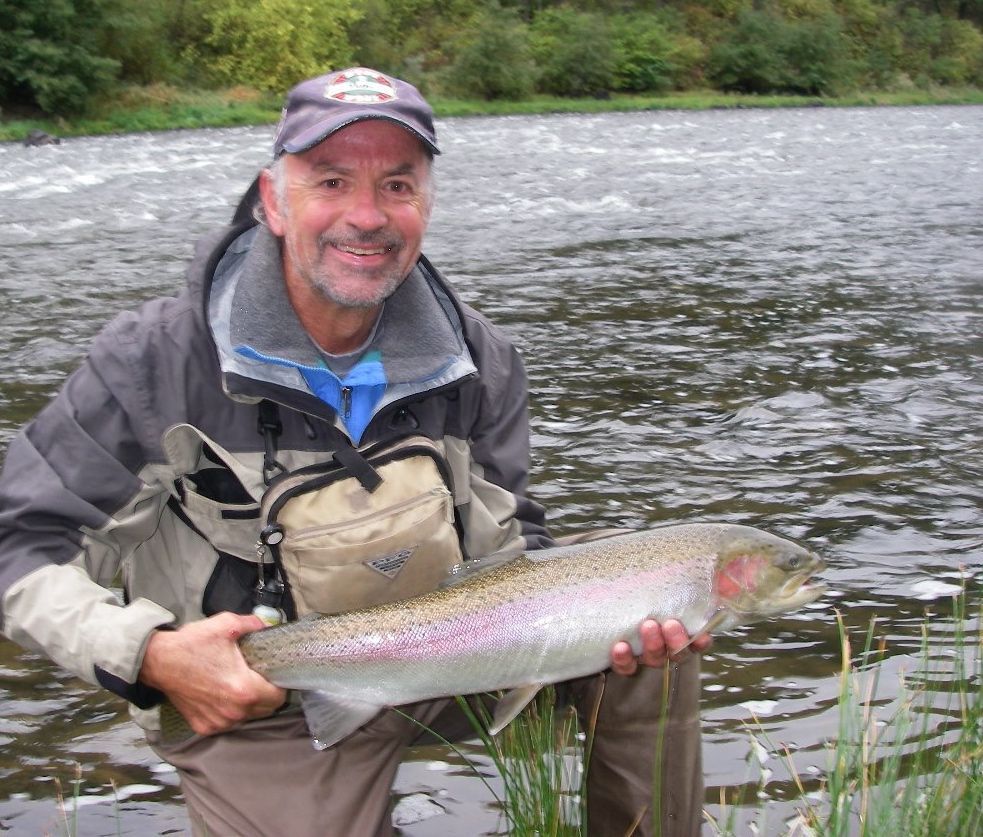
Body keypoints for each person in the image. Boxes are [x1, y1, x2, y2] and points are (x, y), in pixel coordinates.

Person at [0, 67, 709, 836]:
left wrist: (600, 620)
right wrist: (150, 655)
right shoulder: (153, 363)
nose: (366, 215)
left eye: (397, 185)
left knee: (654, 612)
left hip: (461, 653)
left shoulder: (480, 357)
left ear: (426, 204)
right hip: (264, 695)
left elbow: (517, 536)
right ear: (274, 200)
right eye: (331, 180)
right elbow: (17, 545)